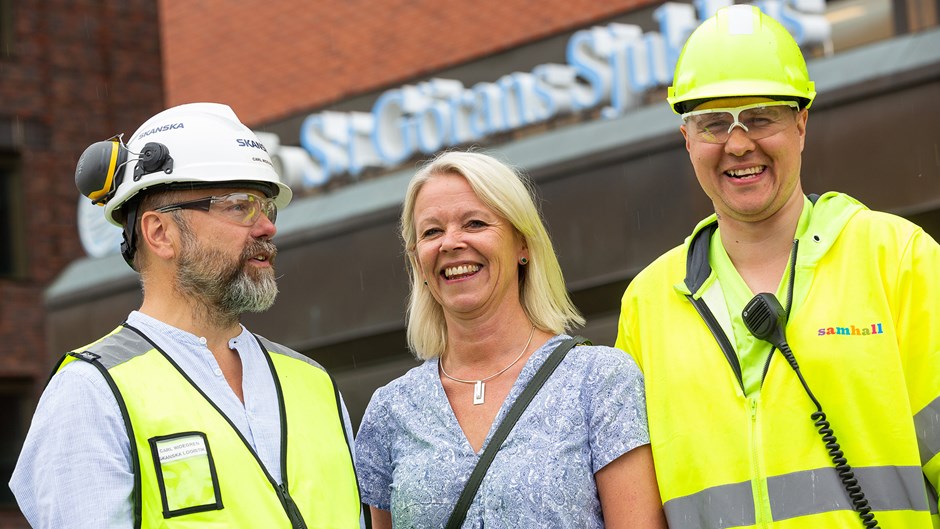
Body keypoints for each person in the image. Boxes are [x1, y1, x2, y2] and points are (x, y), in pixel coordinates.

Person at [615, 5, 940, 528]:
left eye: (760, 117)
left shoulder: (898, 258)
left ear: (802, 123)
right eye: (715, 123)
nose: (739, 143)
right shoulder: (646, 305)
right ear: (687, 140)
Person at [10, 103, 362, 528]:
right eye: (239, 206)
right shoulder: (92, 392)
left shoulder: (314, 383)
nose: (267, 227)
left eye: (266, 207)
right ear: (160, 233)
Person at [355, 151, 666, 529]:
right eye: (432, 232)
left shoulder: (600, 380)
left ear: (522, 244)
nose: (451, 243)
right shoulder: (391, 411)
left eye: (474, 223)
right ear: (417, 260)